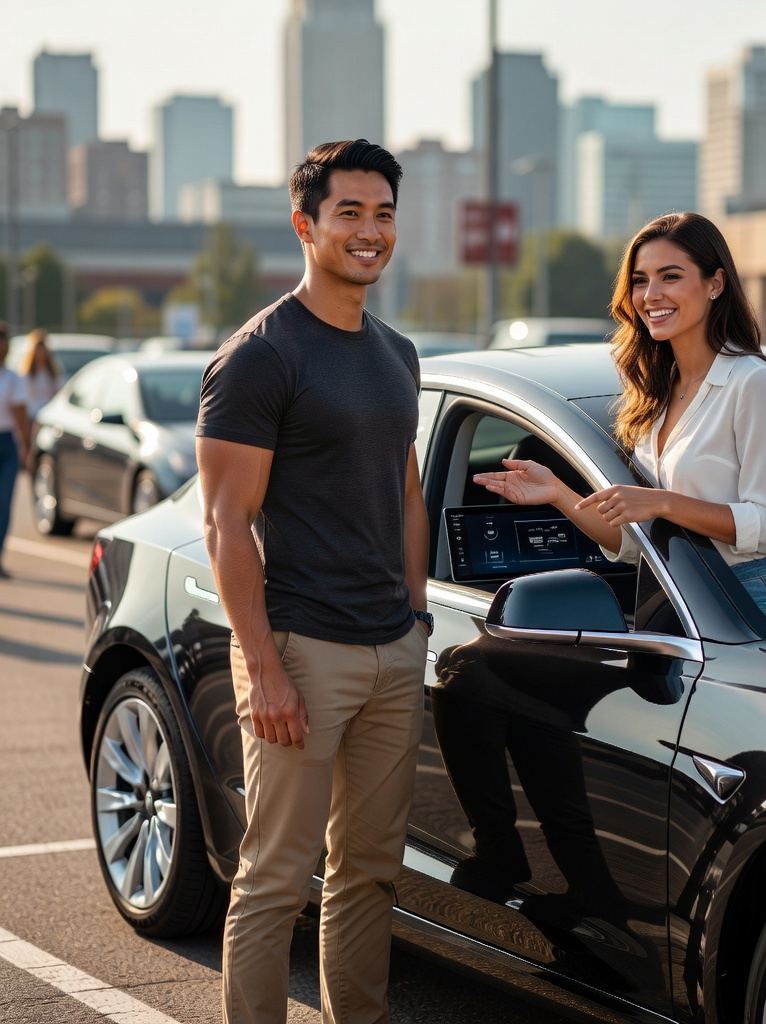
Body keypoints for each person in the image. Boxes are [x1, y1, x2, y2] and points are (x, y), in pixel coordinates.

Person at [196, 139, 431, 1024]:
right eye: (349, 213)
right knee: (275, 878)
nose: (370, 232)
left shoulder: (396, 352)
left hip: (390, 650)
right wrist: (263, 664)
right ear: (306, 224)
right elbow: (226, 522)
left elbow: (404, 489)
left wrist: (413, 618)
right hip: (301, 647)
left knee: (369, 872)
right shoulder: (261, 355)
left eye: (383, 214)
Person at [475, 211, 766, 625]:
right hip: (670, 600)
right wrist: (559, 493)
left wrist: (663, 502)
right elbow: (634, 544)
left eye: (670, 277)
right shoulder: (656, 391)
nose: (651, 294)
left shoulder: (753, 383)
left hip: (750, 600)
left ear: (715, 284)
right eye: (640, 280)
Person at [0, 322, 31, 580]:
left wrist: (26, 446)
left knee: (4, 502)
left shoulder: (12, 378)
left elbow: (21, 416)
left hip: (7, 443)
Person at [19, 328, 62, 433]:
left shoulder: (52, 371)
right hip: (32, 415)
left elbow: (57, 392)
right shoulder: (27, 372)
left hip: (48, 416)